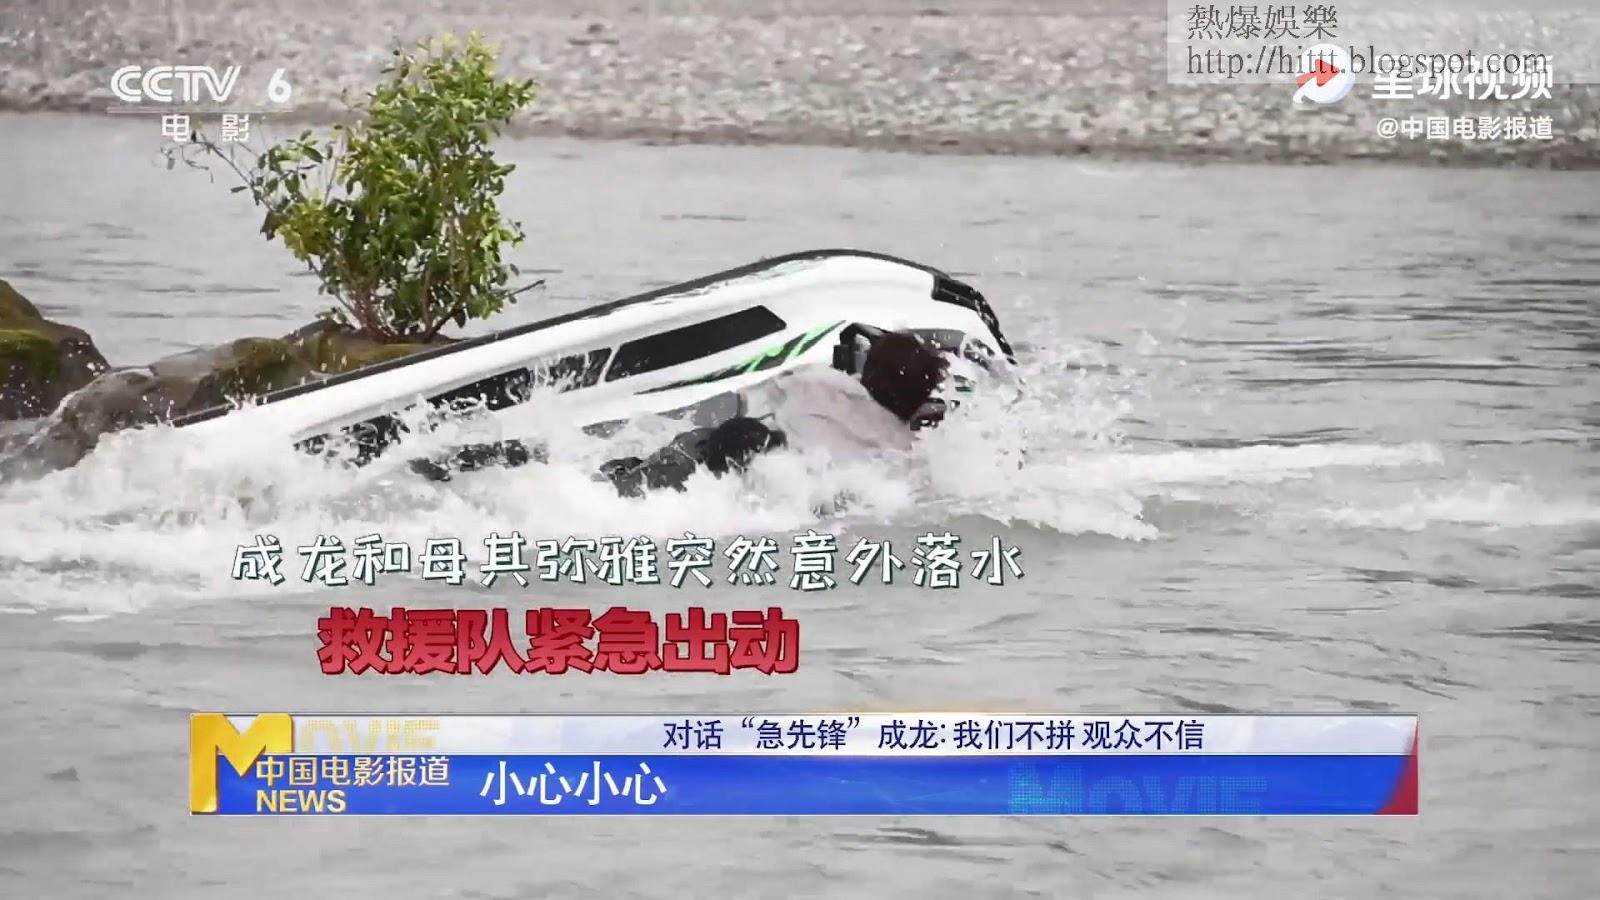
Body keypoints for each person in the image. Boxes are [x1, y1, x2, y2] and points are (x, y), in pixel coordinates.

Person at [408, 329, 951, 495]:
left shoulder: (821, 388)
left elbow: (788, 377)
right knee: (594, 483)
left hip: (711, 455)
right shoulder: (899, 451)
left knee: (583, 473)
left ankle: (458, 461)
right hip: (740, 484)